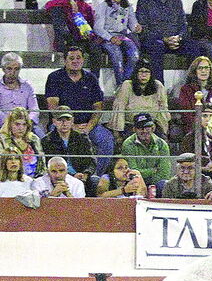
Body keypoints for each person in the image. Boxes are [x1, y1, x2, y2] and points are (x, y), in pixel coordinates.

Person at [44, 46, 114, 175]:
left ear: (83, 60)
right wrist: (72, 126)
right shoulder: (54, 77)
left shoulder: (91, 78)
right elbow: (53, 106)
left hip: (88, 125)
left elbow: (98, 107)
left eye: (78, 58)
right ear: (65, 60)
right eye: (71, 58)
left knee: (106, 139)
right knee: (53, 139)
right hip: (62, 124)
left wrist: (89, 127)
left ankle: (94, 177)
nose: (75, 61)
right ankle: (65, 176)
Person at [136, 0, 203, 84]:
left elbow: (183, 25)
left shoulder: (176, 0)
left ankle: (192, 88)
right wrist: (164, 39)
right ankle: (159, 89)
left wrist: (178, 38)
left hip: (175, 40)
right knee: (157, 46)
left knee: (194, 47)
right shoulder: (144, 1)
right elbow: (143, 29)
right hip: (154, 41)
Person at [44, 0, 103, 77]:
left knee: (96, 48)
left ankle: (94, 80)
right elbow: (48, 5)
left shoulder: (85, 6)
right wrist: (68, 0)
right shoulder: (60, 4)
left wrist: (89, 34)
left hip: (83, 39)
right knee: (74, 50)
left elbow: (90, 25)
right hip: (67, 39)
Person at [93, 0, 141, 86]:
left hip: (122, 36)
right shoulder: (103, 6)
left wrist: (136, 27)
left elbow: (133, 24)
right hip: (107, 37)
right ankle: (121, 85)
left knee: (135, 55)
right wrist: (110, 38)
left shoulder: (127, 7)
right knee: (117, 57)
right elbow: (98, 28)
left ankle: (125, 85)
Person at [109, 60, 171, 143]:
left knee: (160, 142)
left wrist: (164, 131)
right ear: (136, 73)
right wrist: (117, 134)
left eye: (147, 72)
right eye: (141, 71)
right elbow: (119, 109)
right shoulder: (127, 85)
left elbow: (163, 109)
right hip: (131, 125)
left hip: (152, 125)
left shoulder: (158, 85)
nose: (144, 74)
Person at [0, 53, 44, 137]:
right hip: (2, 125)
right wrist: (12, 124)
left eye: (16, 69)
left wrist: (26, 123)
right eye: (9, 69)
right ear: (3, 69)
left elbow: (34, 109)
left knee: (44, 139)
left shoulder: (27, 86)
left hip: (25, 124)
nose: (13, 72)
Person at [40, 105, 97, 184]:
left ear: (72, 120)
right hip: (59, 177)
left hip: (82, 175)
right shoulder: (47, 140)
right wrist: (72, 176)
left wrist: (86, 174)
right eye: (60, 120)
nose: (64, 123)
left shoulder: (82, 138)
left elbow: (92, 160)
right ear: (54, 121)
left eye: (68, 119)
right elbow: (48, 165)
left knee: (95, 181)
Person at [0, 107, 46, 178]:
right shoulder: (2, 139)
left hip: (35, 181)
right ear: (10, 124)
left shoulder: (34, 139)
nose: (21, 128)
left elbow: (42, 163)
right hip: (11, 181)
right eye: (17, 124)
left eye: (24, 124)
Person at [120, 112, 171, 186]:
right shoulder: (128, 144)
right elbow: (132, 172)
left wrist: (151, 185)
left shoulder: (162, 144)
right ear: (134, 129)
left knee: (163, 184)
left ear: (153, 128)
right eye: (140, 128)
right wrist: (153, 170)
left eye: (147, 128)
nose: (144, 131)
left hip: (156, 183)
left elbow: (164, 172)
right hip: (135, 182)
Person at [177, 56, 212, 134]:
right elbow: (186, 114)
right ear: (195, 71)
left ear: (210, 70)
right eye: (200, 68)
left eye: (206, 68)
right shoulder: (186, 89)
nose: (203, 71)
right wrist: (201, 123)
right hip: (193, 127)